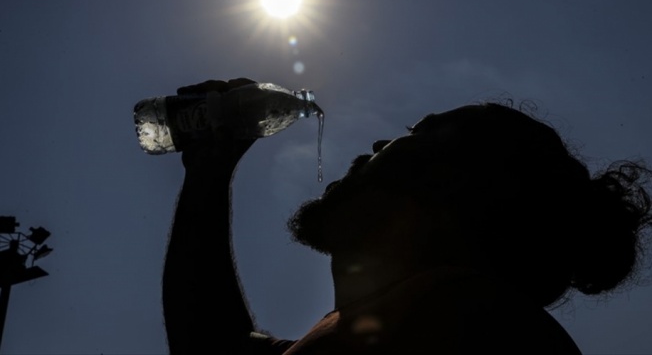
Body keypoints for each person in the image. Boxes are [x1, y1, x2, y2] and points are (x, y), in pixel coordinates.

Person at [161, 78, 652, 354]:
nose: (377, 144)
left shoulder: (485, 329)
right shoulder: (362, 330)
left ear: (459, 185)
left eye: (418, 131)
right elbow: (213, 349)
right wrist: (208, 168)